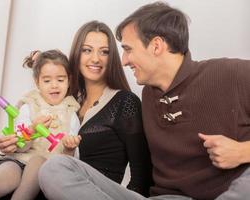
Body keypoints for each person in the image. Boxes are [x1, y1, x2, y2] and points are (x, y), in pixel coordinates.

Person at [36, 2, 250, 200]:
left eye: (128, 49)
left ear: (156, 46)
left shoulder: (231, 74)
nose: (124, 60)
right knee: (55, 169)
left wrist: (243, 151)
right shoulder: (148, 95)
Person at [37, 20, 153, 199]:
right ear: (77, 53)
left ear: (112, 57)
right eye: (87, 50)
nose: (95, 59)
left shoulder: (125, 102)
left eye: (104, 52)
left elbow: (142, 173)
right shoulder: (67, 103)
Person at [0, 49, 81, 200]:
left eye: (60, 80)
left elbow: (72, 160)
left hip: (44, 167)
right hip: (18, 160)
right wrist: (32, 129)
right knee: (7, 178)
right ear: (37, 82)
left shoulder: (71, 114)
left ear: (69, 80)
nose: (54, 85)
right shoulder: (28, 106)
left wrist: (69, 147)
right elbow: (20, 145)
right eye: (47, 81)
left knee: (37, 162)